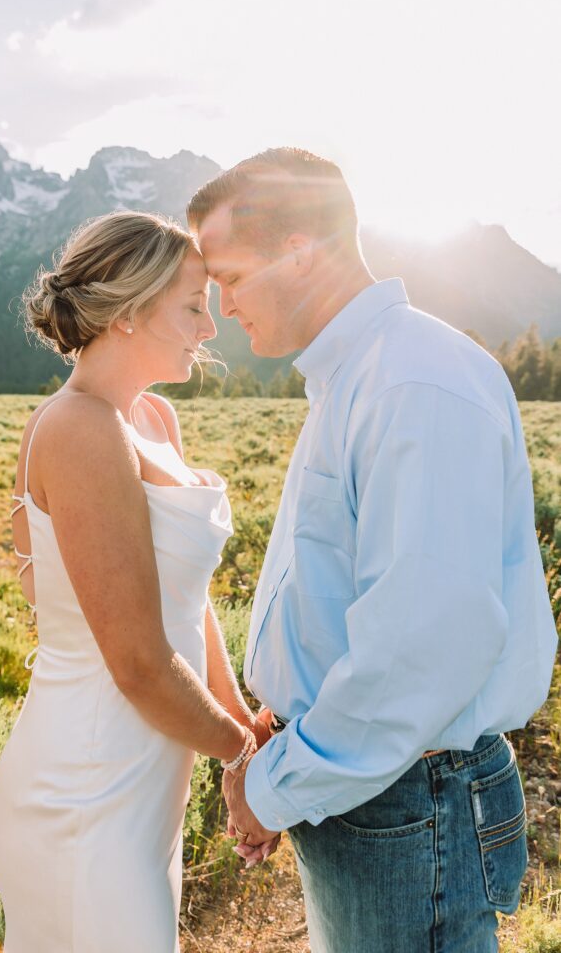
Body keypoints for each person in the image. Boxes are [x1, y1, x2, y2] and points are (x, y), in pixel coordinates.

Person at [187, 148, 559, 952]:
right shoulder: (356, 374)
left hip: (402, 797)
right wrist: (288, 736)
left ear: (299, 250)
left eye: (231, 276)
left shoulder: (410, 384)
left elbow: (419, 651)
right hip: (364, 782)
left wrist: (277, 785)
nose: (218, 308)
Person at [0, 211, 270, 953]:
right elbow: (138, 661)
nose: (209, 329)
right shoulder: (78, 427)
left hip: (144, 788)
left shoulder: (153, 417)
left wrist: (242, 723)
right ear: (132, 310)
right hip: (84, 788)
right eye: (192, 305)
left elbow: (187, 601)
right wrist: (239, 756)